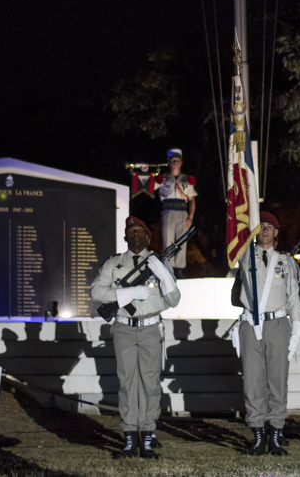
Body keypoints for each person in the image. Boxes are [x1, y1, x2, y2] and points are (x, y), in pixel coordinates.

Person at [90, 216, 181, 459]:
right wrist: (128, 293)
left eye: (140, 231)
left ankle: (148, 436)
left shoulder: (158, 263)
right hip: (123, 329)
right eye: (131, 231)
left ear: (149, 237)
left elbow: (174, 300)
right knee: (127, 383)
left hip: (151, 329)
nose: (136, 234)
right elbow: (96, 291)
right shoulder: (115, 263)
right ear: (125, 237)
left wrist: (164, 275)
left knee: (150, 384)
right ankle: (130, 437)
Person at [229, 212, 300, 456]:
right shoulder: (243, 256)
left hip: (277, 324)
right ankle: (258, 434)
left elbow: (294, 297)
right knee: (252, 381)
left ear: (276, 233)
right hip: (250, 324)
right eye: (260, 226)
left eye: (269, 227)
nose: (264, 230)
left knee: (277, 381)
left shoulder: (287, 262)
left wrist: (297, 326)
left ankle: (275, 434)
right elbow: (232, 240)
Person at [154, 149, 197, 278]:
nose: (175, 162)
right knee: (168, 241)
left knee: (182, 241)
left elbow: (192, 200)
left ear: (181, 162)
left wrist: (191, 217)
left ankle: (180, 269)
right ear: (168, 162)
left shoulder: (187, 179)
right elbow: (148, 187)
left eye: (177, 160)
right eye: (172, 160)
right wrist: (146, 172)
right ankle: (169, 268)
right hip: (168, 210)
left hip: (182, 212)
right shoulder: (162, 178)